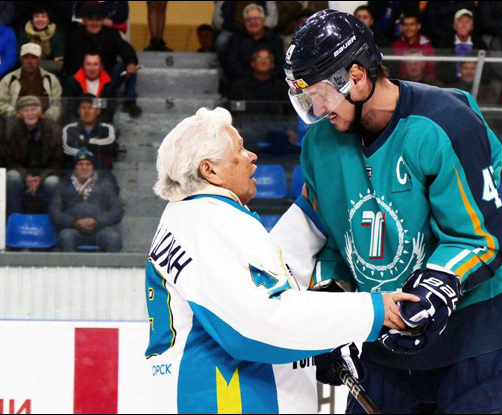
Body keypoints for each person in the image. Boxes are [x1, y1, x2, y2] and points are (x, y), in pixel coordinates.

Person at [285, 10, 502, 414]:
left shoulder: (447, 123)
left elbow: (479, 236)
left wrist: (434, 290)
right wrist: (334, 308)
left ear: (356, 76)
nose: (316, 109)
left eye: (319, 94)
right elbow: (332, 243)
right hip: (386, 345)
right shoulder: (320, 147)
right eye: (306, 98)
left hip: (479, 340)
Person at [145, 106, 415, 413]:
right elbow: (255, 324)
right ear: (210, 170)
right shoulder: (208, 222)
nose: (252, 156)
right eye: (239, 149)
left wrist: (315, 208)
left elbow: (266, 277)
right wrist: (374, 311)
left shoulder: (193, 215)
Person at [65, 2, 141, 117]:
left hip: (107, 79)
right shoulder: (75, 36)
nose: (94, 23)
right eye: (90, 19)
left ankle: (130, 101)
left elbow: (126, 49)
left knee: (127, 65)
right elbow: (72, 61)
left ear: (102, 20)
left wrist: (130, 63)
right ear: (84, 21)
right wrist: (90, 69)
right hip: (83, 78)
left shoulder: (111, 34)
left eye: (98, 19)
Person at [50, 149, 123, 252]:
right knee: (65, 237)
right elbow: (54, 212)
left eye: (88, 164)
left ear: (93, 167)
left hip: (100, 229)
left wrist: (97, 221)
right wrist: (73, 222)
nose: (84, 167)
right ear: (75, 167)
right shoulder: (63, 185)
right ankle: (70, 268)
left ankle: (107, 268)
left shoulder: (106, 184)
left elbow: (117, 211)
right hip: (73, 230)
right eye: (80, 164)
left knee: (114, 238)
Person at [4, 96, 62, 214]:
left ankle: (50, 220)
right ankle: (15, 220)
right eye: (26, 110)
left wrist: (42, 177)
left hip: (46, 173)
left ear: (40, 112)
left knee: (53, 182)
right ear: (19, 113)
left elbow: (58, 161)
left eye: (33, 109)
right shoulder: (11, 130)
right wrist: (26, 177)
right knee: (11, 177)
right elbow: (8, 160)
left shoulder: (54, 129)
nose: (30, 114)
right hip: (21, 173)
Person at [0, 43, 62, 121]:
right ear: (21, 59)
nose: (29, 61)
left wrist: (46, 116)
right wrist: (15, 114)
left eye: (33, 58)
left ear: (39, 59)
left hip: (43, 122)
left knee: (55, 130)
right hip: (16, 121)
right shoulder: (9, 79)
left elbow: (57, 105)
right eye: (26, 57)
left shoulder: (51, 79)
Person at [222, 4, 284, 86]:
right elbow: (231, 64)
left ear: (263, 21)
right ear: (244, 23)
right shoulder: (235, 39)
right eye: (249, 19)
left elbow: (280, 64)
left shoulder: (275, 39)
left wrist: (266, 79)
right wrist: (250, 80)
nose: (253, 22)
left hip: (271, 84)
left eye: (256, 19)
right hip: (243, 85)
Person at [62, 94, 117, 172]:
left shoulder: (107, 128)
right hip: (73, 172)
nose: (86, 111)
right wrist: (94, 146)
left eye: (91, 108)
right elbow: (68, 150)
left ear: (98, 111)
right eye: (83, 108)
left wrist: (82, 144)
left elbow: (109, 148)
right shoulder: (69, 129)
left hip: (102, 174)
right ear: (78, 111)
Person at [435, 8, 488, 85]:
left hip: (476, 85)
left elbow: (486, 69)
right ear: (454, 26)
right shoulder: (444, 45)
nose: (464, 25)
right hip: (451, 84)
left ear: (472, 26)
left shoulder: (480, 45)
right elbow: (441, 69)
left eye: (467, 22)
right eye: (460, 21)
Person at [64, 52, 118, 123]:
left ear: (101, 67)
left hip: (100, 123)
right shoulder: (73, 82)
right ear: (83, 66)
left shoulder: (109, 83)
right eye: (88, 64)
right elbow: (70, 107)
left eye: (95, 64)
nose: (92, 68)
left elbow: (109, 108)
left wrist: (94, 124)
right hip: (78, 122)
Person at [17, 6, 65, 74]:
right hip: (26, 72)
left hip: (50, 73)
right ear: (32, 19)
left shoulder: (57, 35)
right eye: (36, 16)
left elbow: (58, 65)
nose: (40, 19)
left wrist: (31, 63)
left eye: (44, 17)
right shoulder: (24, 33)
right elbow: (20, 60)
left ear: (48, 20)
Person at [391, 11, 435, 79]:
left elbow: (431, 73)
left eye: (411, 25)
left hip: (424, 84)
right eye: (405, 25)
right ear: (402, 27)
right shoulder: (395, 46)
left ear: (418, 26)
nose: (408, 28)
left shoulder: (427, 46)